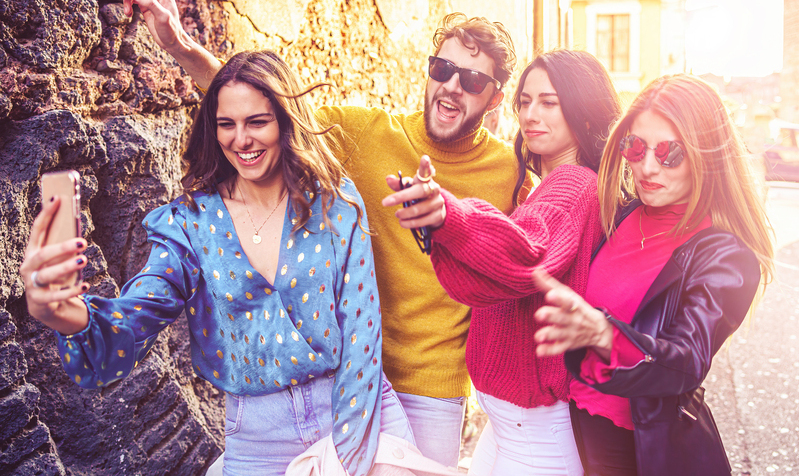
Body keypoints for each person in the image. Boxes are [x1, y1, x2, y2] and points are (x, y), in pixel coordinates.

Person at [123, 0, 529, 466]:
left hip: (433, 390)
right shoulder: (369, 133)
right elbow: (265, 105)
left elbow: (529, 253)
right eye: (443, 68)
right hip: (352, 379)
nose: (452, 87)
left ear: (495, 98)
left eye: (473, 80)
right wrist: (180, 46)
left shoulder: (510, 173)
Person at [20, 50, 415, 476]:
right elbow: (132, 324)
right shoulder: (190, 222)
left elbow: (362, 333)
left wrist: (348, 457)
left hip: (358, 408)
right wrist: (66, 315)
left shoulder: (335, 201)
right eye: (226, 124)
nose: (240, 140)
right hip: (258, 437)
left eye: (256, 122)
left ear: (285, 121)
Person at [384, 49, 622, 475]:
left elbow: (525, 250)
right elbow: (492, 281)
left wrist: (448, 215)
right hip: (508, 430)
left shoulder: (575, 183)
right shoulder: (544, 183)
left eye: (549, 102)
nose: (532, 114)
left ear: (584, 113)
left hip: (536, 440)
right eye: (526, 101)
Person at [530, 74, 774, 476]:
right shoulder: (620, 215)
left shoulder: (725, 256)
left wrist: (605, 335)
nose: (646, 167)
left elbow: (686, 359)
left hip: (642, 456)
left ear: (705, 155)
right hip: (568, 436)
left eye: (669, 153)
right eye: (635, 146)